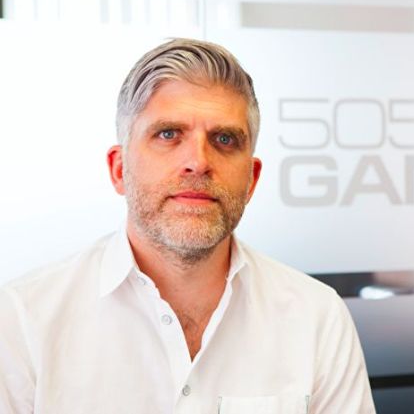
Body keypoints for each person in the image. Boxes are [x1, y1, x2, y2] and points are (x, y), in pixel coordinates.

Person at [0, 38, 376, 413]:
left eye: (224, 139)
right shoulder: (24, 319)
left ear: (252, 180)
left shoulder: (317, 317)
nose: (198, 161)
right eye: (168, 134)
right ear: (119, 169)